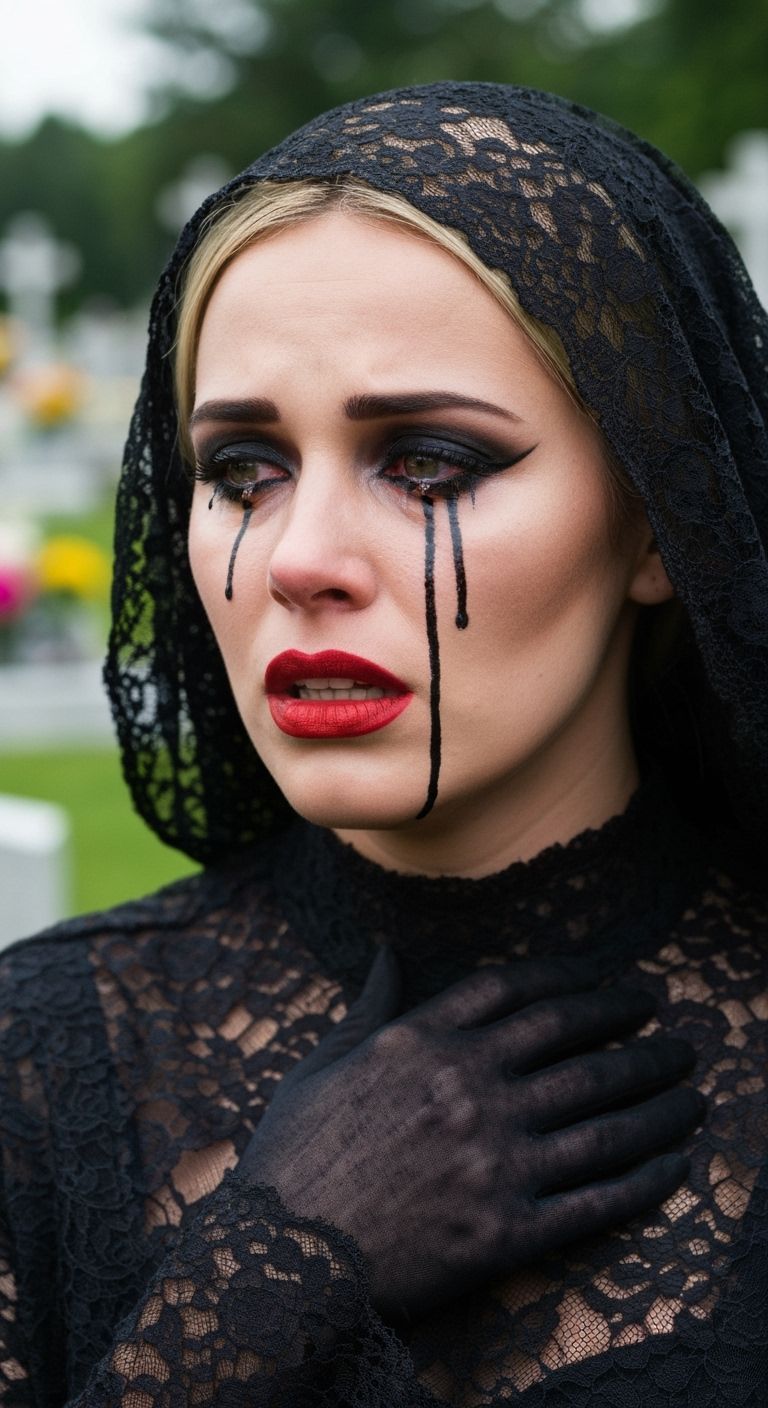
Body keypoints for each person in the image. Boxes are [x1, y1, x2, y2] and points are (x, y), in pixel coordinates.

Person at [1, 81, 767, 1406]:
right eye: (241, 470)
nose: (299, 561)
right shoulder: (38, 1057)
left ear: (657, 517)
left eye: (426, 461)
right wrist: (266, 1279)